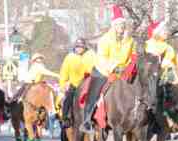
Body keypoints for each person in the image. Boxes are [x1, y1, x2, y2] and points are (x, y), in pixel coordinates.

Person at [80, 5, 137, 133]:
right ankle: (87, 120)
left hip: (123, 72)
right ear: (114, 26)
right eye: (119, 25)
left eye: (123, 25)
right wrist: (114, 67)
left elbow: (133, 56)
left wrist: (131, 66)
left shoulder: (131, 40)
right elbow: (102, 58)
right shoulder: (105, 39)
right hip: (103, 71)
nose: (122, 27)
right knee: (94, 92)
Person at [59, 38, 96, 127]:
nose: (79, 49)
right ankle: (65, 118)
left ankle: (95, 118)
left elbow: (95, 67)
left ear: (85, 47)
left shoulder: (91, 55)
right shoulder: (69, 57)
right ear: (74, 47)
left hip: (88, 84)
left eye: (81, 47)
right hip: (75, 85)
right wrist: (63, 85)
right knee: (68, 97)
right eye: (77, 47)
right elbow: (64, 72)